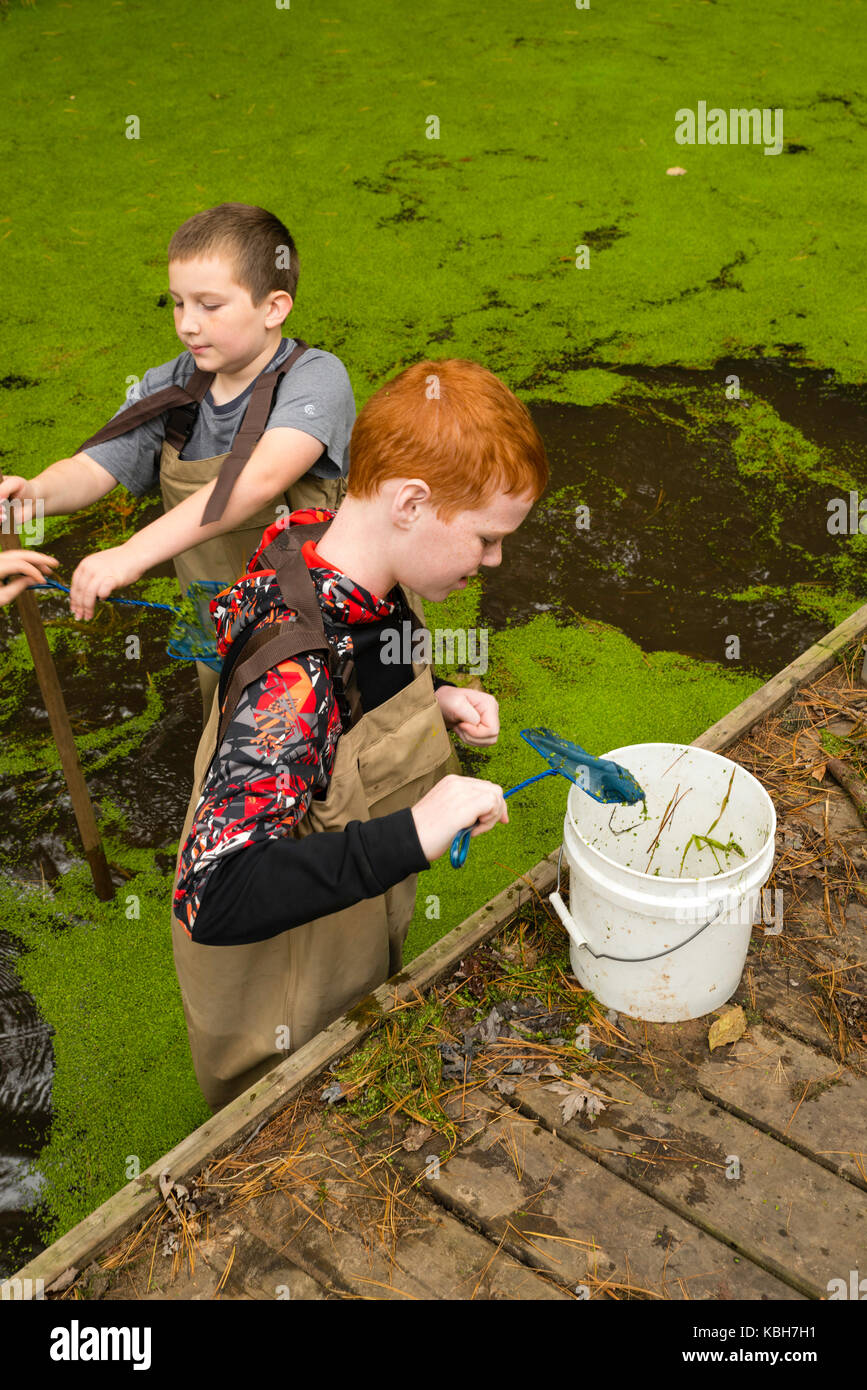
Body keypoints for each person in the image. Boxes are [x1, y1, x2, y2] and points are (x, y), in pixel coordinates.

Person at [170, 358, 549, 1110]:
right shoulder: (292, 677)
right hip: (283, 992)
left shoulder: (329, 538)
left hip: (351, 924)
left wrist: (432, 698)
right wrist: (415, 832)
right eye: (486, 538)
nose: (494, 561)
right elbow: (214, 893)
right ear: (409, 501)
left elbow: (364, 655)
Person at [0, 203, 356, 721]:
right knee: (233, 738)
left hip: (326, 621)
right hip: (218, 619)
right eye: (177, 303)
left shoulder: (316, 378)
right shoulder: (169, 386)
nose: (188, 324)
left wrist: (132, 553)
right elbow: (93, 467)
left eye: (210, 305)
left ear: (274, 307)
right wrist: (28, 496)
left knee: (345, 741)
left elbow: (258, 482)